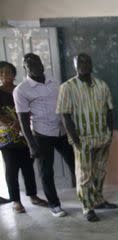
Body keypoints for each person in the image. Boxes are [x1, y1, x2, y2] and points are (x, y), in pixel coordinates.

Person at [57, 53, 117, 222]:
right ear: (74, 65)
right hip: (82, 139)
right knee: (84, 175)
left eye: (87, 61)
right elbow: (65, 115)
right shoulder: (67, 87)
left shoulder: (101, 85)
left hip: (102, 137)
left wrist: (110, 133)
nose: (84, 65)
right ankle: (87, 207)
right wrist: (75, 140)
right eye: (80, 62)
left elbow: (110, 110)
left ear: (91, 64)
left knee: (100, 171)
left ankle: (98, 200)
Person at [13, 53, 75, 217]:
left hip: (61, 132)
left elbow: (64, 107)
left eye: (36, 63)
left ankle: (87, 200)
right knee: (46, 172)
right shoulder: (21, 90)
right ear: (25, 68)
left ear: (42, 64)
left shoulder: (54, 82)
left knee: (77, 165)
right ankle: (54, 205)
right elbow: (23, 120)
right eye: (29, 65)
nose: (34, 67)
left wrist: (71, 132)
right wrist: (32, 144)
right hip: (42, 135)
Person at [0, 61, 47, 213]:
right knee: (11, 169)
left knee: (28, 167)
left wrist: (22, 124)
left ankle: (33, 196)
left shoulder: (21, 90)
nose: (4, 75)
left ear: (14, 74)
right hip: (7, 138)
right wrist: (13, 124)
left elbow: (31, 108)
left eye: (7, 72)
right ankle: (16, 201)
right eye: (1, 73)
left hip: (26, 135)